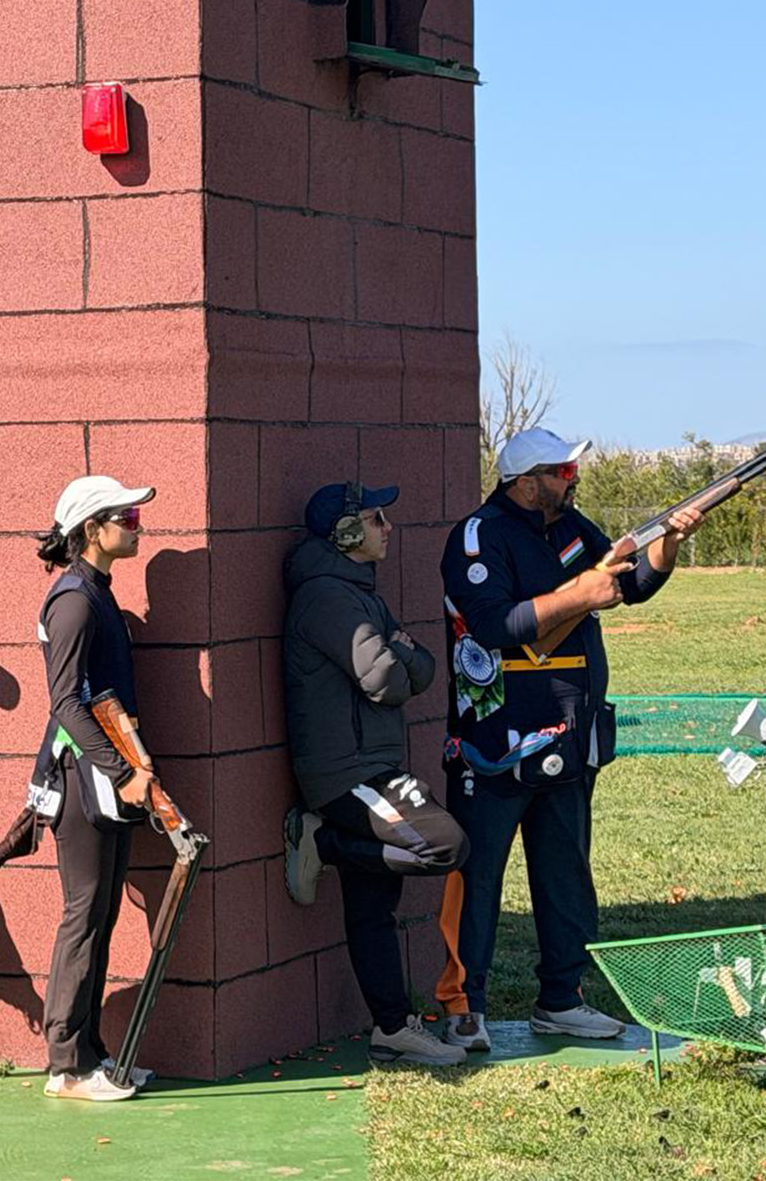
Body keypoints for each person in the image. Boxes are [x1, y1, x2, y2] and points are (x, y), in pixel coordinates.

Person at [436, 429, 704, 1050]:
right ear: (526, 482)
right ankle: (463, 1006)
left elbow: (630, 585)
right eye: (561, 472)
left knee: (566, 877)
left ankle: (562, 998)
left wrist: (667, 544)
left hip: (570, 732)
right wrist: (578, 595)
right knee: (477, 879)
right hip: (495, 738)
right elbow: (494, 624)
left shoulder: (573, 529)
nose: (572, 479)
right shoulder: (477, 537)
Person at [280, 481, 470, 1066]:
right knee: (446, 845)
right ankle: (324, 843)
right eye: (376, 518)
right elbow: (386, 681)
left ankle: (392, 1028)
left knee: (373, 907)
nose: (388, 527)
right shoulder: (329, 597)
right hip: (348, 776)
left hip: (368, 766)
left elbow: (426, 668)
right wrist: (399, 650)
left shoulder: (358, 591)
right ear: (345, 533)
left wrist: (401, 650)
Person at [33, 475, 159, 1102]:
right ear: (91, 530)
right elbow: (66, 704)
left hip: (103, 777)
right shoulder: (74, 601)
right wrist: (123, 771)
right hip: (83, 780)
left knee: (102, 913)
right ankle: (66, 1066)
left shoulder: (97, 592)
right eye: (126, 518)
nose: (137, 526)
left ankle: (90, 1052)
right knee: (84, 915)